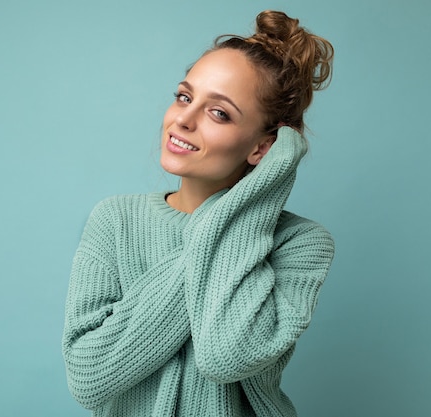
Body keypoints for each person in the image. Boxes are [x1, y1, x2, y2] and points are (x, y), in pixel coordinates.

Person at [62, 10, 335, 417]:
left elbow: (226, 355)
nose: (183, 120)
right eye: (185, 97)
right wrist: (214, 229)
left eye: (219, 113)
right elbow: (88, 377)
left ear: (264, 148)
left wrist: (246, 205)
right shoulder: (115, 220)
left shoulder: (302, 244)